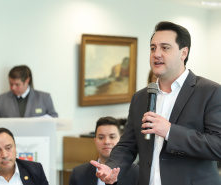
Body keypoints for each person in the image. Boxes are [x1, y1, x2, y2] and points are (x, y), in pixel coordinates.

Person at [90, 21, 221, 185]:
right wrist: (112, 166)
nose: (156, 54)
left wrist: (170, 131)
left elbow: (218, 145)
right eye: (153, 48)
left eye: (165, 48)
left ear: (183, 53)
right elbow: (127, 145)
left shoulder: (210, 92)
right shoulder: (140, 97)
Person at [69, 116, 139, 185]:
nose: (106, 142)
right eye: (101, 137)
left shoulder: (137, 173)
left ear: (121, 140)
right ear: (95, 141)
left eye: (112, 137)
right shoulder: (78, 174)